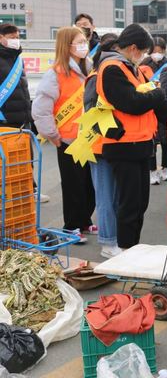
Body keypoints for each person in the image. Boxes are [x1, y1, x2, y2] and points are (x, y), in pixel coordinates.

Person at [96, 24, 167, 249]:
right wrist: (158, 93)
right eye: (145, 51)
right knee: (129, 203)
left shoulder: (133, 68)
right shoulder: (112, 68)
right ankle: (125, 247)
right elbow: (132, 104)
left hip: (141, 143)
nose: (147, 56)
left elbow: (151, 102)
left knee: (140, 203)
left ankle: (133, 246)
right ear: (134, 47)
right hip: (123, 144)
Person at [32, 26, 96, 244]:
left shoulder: (90, 68)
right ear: (66, 45)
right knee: (73, 185)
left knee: (89, 183)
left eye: (84, 41)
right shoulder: (56, 72)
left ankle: (86, 221)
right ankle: (72, 226)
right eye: (78, 42)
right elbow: (41, 108)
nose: (83, 45)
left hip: (90, 137)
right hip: (68, 139)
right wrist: (52, 134)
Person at [85, 33, 123, 258]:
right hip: (100, 144)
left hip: (114, 144)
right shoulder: (97, 75)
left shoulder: (109, 72)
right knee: (106, 195)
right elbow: (92, 111)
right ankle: (108, 242)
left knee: (116, 194)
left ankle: (115, 238)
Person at [0, 24, 47, 204]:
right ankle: (8, 193)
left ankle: (30, 190)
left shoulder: (17, 59)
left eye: (17, 36)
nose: (15, 40)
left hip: (23, 118)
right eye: (11, 36)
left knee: (26, 158)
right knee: (8, 161)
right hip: (5, 121)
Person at [140, 36, 167, 186]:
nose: (157, 54)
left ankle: (165, 167)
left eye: (160, 51)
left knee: (165, 140)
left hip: (162, 104)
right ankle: (152, 170)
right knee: (151, 140)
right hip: (149, 105)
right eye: (154, 51)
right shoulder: (143, 65)